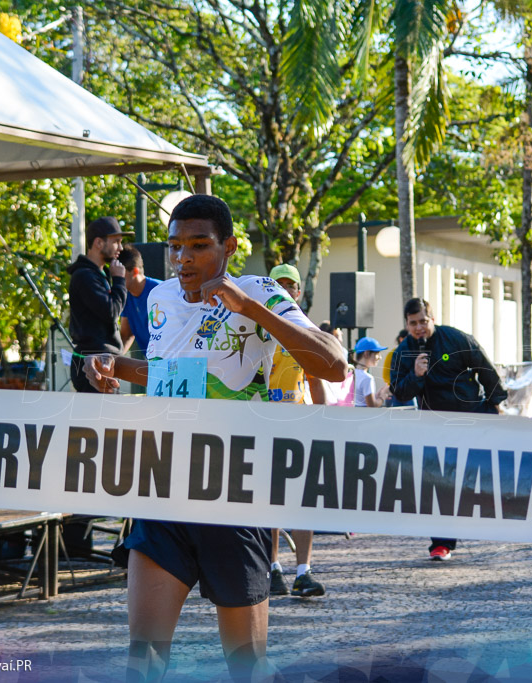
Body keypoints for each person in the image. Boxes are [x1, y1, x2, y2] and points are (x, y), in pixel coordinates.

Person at [83, 195, 348, 682]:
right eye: (175, 247)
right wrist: (112, 364)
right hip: (164, 491)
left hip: (233, 495)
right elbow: (170, 374)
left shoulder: (259, 290)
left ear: (227, 248)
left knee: (246, 667)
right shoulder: (160, 299)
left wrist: (250, 308)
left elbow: (334, 364)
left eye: (199, 246)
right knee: (142, 662)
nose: (184, 258)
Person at [389, 298, 507, 561]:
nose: (419, 328)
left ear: (432, 319)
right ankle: (441, 543)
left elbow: (486, 370)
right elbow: (399, 391)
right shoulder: (403, 352)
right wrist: (416, 376)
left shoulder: (455, 339)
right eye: (413, 323)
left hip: (470, 417)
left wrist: (494, 404)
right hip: (434, 426)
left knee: (475, 477)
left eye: (423, 321)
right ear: (406, 325)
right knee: (438, 483)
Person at [265, 263, 325, 599]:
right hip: (264, 425)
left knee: (303, 501)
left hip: (299, 424)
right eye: (278, 285)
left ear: (299, 293)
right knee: (271, 502)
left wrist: (323, 420)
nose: (285, 290)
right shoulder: (255, 329)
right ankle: (273, 569)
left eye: (291, 286)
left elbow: (316, 379)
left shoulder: (305, 331)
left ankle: (304, 572)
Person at [67, 216, 132, 392]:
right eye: (116, 241)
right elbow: (111, 311)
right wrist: (119, 280)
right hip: (92, 365)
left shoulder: (96, 274)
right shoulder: (84, 276)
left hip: (102, 362)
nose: (120, 247)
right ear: (98, 243)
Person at [118, 244, 162, 357]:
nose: (115, 278)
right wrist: (111, 360)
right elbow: (126, 335)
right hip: (151, 361)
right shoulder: (126, 296)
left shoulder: (160, 291)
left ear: (135, 271)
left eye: (119, 274)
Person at [352, 337, 392, 407]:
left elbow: (361, 400)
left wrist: (377, 395)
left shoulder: (350, 374)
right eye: (377, 353)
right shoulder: (367, 378)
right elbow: (372, 406)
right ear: (366, 353)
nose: (380, 357)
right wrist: (383, 396)